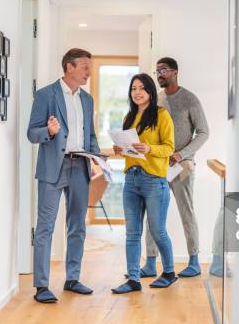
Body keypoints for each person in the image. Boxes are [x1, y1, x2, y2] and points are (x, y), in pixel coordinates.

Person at [27, 48, 100, 303]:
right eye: (84, 67)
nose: (88, 72)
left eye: (89, 68)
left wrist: (95, 157)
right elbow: (31, 134)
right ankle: (41, 286)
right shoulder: (46, 94)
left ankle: (72, 278)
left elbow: (90, 134)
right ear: (69, 67)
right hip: (52, 167)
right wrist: (48, 130)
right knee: (45, 226)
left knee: (77, 226)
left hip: (80, 166)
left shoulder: (87, 99)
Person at [139, 57, 210, 278]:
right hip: (158, 165)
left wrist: (181, 155)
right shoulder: (157, 100)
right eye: (157, 71)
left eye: (164, 70)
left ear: (175, 72)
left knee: (186, 212)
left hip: (182, 166)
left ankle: (194, 261)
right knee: (153, 214)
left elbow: (204, 132)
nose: (159, 74)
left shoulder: (190, 100)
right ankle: (150, 263)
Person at [111, 73, 177, 294]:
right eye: (133, 88)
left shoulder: (161, 115)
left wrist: (150, 149)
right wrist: (120, 150)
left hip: (154, 180)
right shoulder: (129, 117)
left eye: (141, 88)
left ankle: (168, 272)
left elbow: (169, 148)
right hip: (131, 178)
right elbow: (130, 150)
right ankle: (133, 279)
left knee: (157, 230)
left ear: (150, 91)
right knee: (132, 233)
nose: (137, 92)